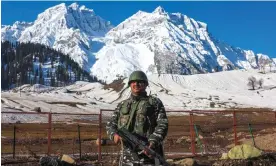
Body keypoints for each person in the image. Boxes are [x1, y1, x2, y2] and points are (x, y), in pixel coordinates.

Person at [106, 70, 168, 166]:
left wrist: (153, 142)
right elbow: (111, 124)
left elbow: (162, 124)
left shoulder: (155, 103)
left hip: (148, 155)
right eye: (133, 82)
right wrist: (114, 135)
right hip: (127, 157)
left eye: (140, 82)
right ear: (130, 85)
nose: (136, 84)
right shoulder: (122, 105)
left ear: (146, 84)